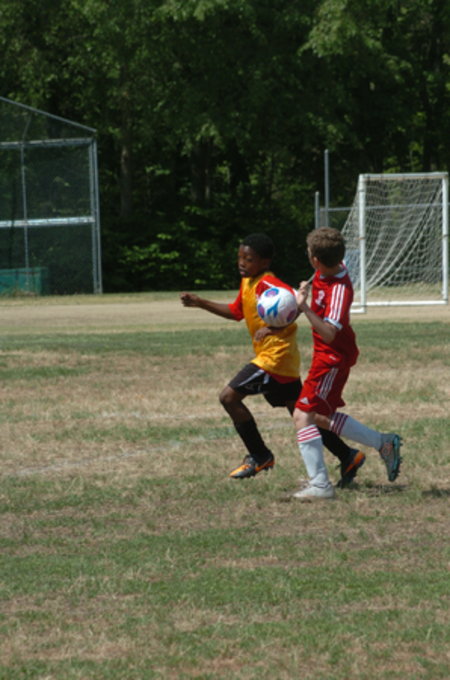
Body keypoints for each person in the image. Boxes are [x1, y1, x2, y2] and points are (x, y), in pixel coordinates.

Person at [180, 232, 365, 484]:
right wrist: (200, 302)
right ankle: (347, 455)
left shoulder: (268, 284)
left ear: (265, 262)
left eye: (249, 259)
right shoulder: (248, 282)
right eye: (240, 257)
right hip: (280, 361)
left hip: (275, 358)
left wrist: (276, 327)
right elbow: (236, 312)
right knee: (304, 415)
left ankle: (260, 455)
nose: (242, 263)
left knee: (229, 397)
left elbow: (293, 301)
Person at [292, 226, 403, 500]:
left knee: (302, 415)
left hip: (332, 358)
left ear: (315, 260)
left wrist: (304, 306)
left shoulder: (340, 289)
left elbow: (330, 333)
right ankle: (383, 442)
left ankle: (320, 485)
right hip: (325, 355)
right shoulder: (327, 269)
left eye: (309, 253)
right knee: (320, 416)